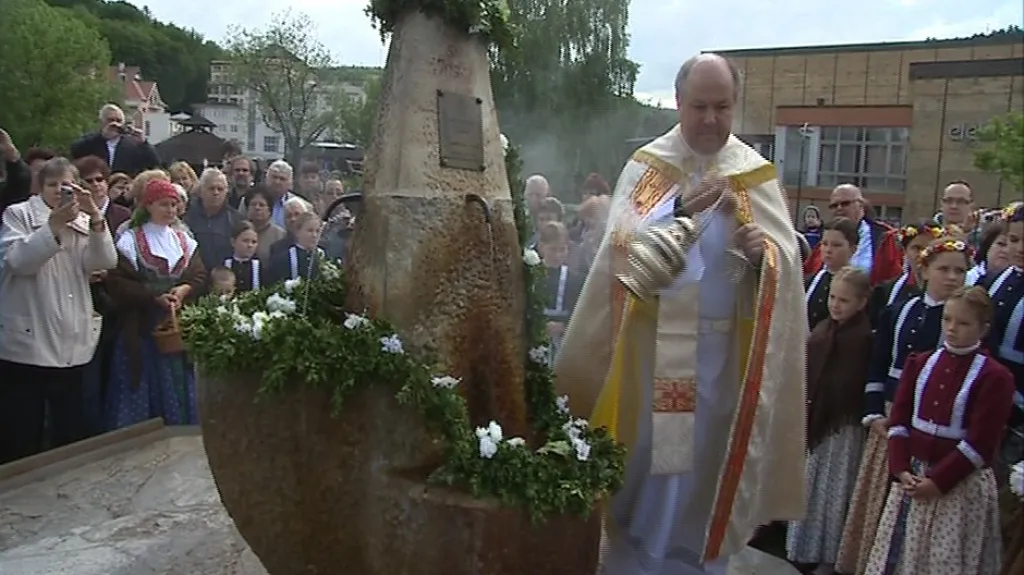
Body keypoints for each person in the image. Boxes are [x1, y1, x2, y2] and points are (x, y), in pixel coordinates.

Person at [555, 53, 807, 574]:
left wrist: (763, 261)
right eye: (700, 107)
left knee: (707, 465)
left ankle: (704, 558)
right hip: (655, 352)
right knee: (656, 466)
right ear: (678, 103)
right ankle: (639, 557)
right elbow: (621, 255)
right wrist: (680, 214)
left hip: (724, 358)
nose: (711, 119)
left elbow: (781, 269)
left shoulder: (752, 173)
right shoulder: (651, 167)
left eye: (722, 107)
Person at [836, 235, 970, 574]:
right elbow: (878, 363)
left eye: (960, 271)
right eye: (944, 270)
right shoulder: (900, 310)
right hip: (890, 419)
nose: (952, 278)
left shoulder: (965, 323)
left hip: (931, 428)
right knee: (879, 499)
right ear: (924, 271)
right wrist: (873, 412)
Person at [866, 286, 1013, 575]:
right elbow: (899, 421)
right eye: (947, 319)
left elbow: (982, 443)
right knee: (902, 552)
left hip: (957, 482)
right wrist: (901, 468)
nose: (952, 328)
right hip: (913, 476)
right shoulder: (920, 363)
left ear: (983, 329)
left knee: (944, 559)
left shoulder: (995, 377)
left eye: (963, 323)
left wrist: (937, 481)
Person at [0, 157, 117, 463]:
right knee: (23, 430)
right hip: (29, 341)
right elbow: (18, 262)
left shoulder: (83, 221)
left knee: (70, 428)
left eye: (65, 186)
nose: (58, 192)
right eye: (52, 185)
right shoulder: (18, 214)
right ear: (41, 187)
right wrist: (53, 226)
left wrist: (95, 221)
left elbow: (104, 262)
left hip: (71, 340)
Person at [787, 266, 873, 575]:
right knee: (810, 485)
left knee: (833, 493)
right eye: (833, 298)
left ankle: (830, 555)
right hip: (816, 418)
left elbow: (851, 383)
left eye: (845, 301)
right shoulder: (825, 328)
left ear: (862, 302)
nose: (836, 305)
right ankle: (804, 547)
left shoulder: (861, 338)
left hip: (841, 425)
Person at [103, 179, 206, 429]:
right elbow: (116, 282)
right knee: (140, 385)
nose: (170, 209)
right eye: (163, 204)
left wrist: (183, 290)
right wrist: (152, 297)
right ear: (148, 205)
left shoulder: (184, 240)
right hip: (141, 329)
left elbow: (200, 275)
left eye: (173, 204)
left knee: (179, 383)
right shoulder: (130, 240)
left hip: (175, 327)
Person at [804, 184, 903, 286]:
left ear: (861, 205)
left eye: (845, 203)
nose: (839, 208)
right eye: (834, 206)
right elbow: (808, 273)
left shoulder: (884, 237)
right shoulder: (825, 237)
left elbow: (894, 279)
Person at [867, 220, 944, 329]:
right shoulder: (885, 291)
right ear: (904, 251)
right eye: (917, 248)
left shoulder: (947, 290)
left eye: (929, 248)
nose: (923, 254)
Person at [70, 104, 161, 177]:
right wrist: (102, 136)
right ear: (102, 122)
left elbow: (154, 163)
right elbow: (75, 150)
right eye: (110, 120)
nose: (115, 124)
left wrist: (144, 143)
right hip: (96, 184)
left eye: (118, 121)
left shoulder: (131, 143)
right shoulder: (93, 140)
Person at [805, 217, 858, 330]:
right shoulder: (810, 281)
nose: (828, 250)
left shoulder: (856, 285)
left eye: (836, 245)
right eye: (824, 244)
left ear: (852, 249)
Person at [222, 220, 263, 293]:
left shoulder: (260, 268)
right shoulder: (224, 264)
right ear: (233, 242)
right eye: (245, 241)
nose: (250, 245)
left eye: (254, 242)